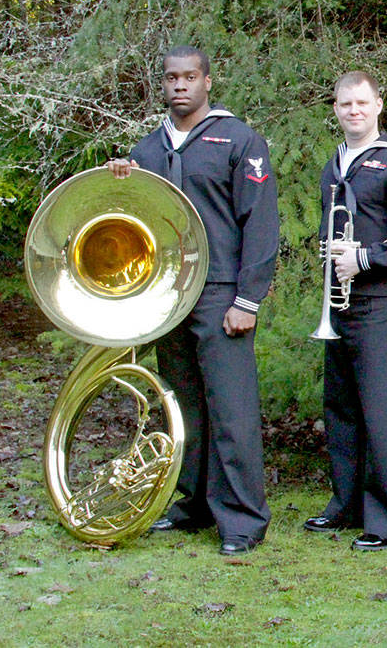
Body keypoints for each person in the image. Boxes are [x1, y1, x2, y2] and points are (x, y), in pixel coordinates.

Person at [106, 45, 279, 556]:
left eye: (189, 77)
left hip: (221, 292)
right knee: (183, 406)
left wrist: (248, 298)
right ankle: (194, 504)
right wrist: (120, 184)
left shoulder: (239, 139)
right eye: (170, 78)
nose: (180, 85)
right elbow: (133, 225)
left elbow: (260, 223)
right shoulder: (147, 151)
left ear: (207, 81)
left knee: (232, 409)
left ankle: (243, 519)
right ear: (162, 85)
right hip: (169, 294)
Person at [303, 71, 387, 551]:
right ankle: (347, 504)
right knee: (342, 410)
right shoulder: (334, 163)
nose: (353, 111)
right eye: (345, 104)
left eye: (362, 103)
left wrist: (366, 256)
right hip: (338, 303)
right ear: (335, 109)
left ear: (379, 105)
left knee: (383, 413)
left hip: (378, 302)